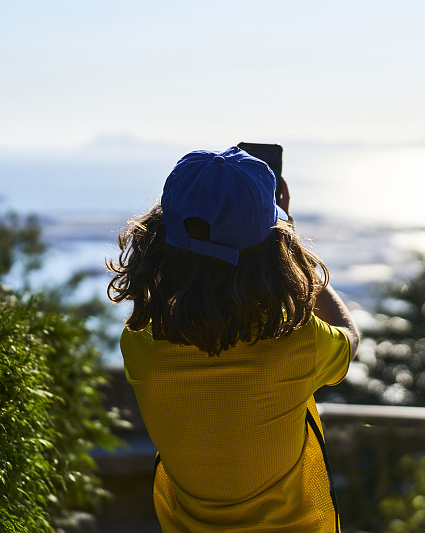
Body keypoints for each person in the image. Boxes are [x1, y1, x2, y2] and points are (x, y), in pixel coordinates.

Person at [106, 146, 359, 532]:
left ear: (158, 236)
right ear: (271, 249)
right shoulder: (293, 344)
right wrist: (294, 250)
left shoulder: (141, 345)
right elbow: (350, 338)